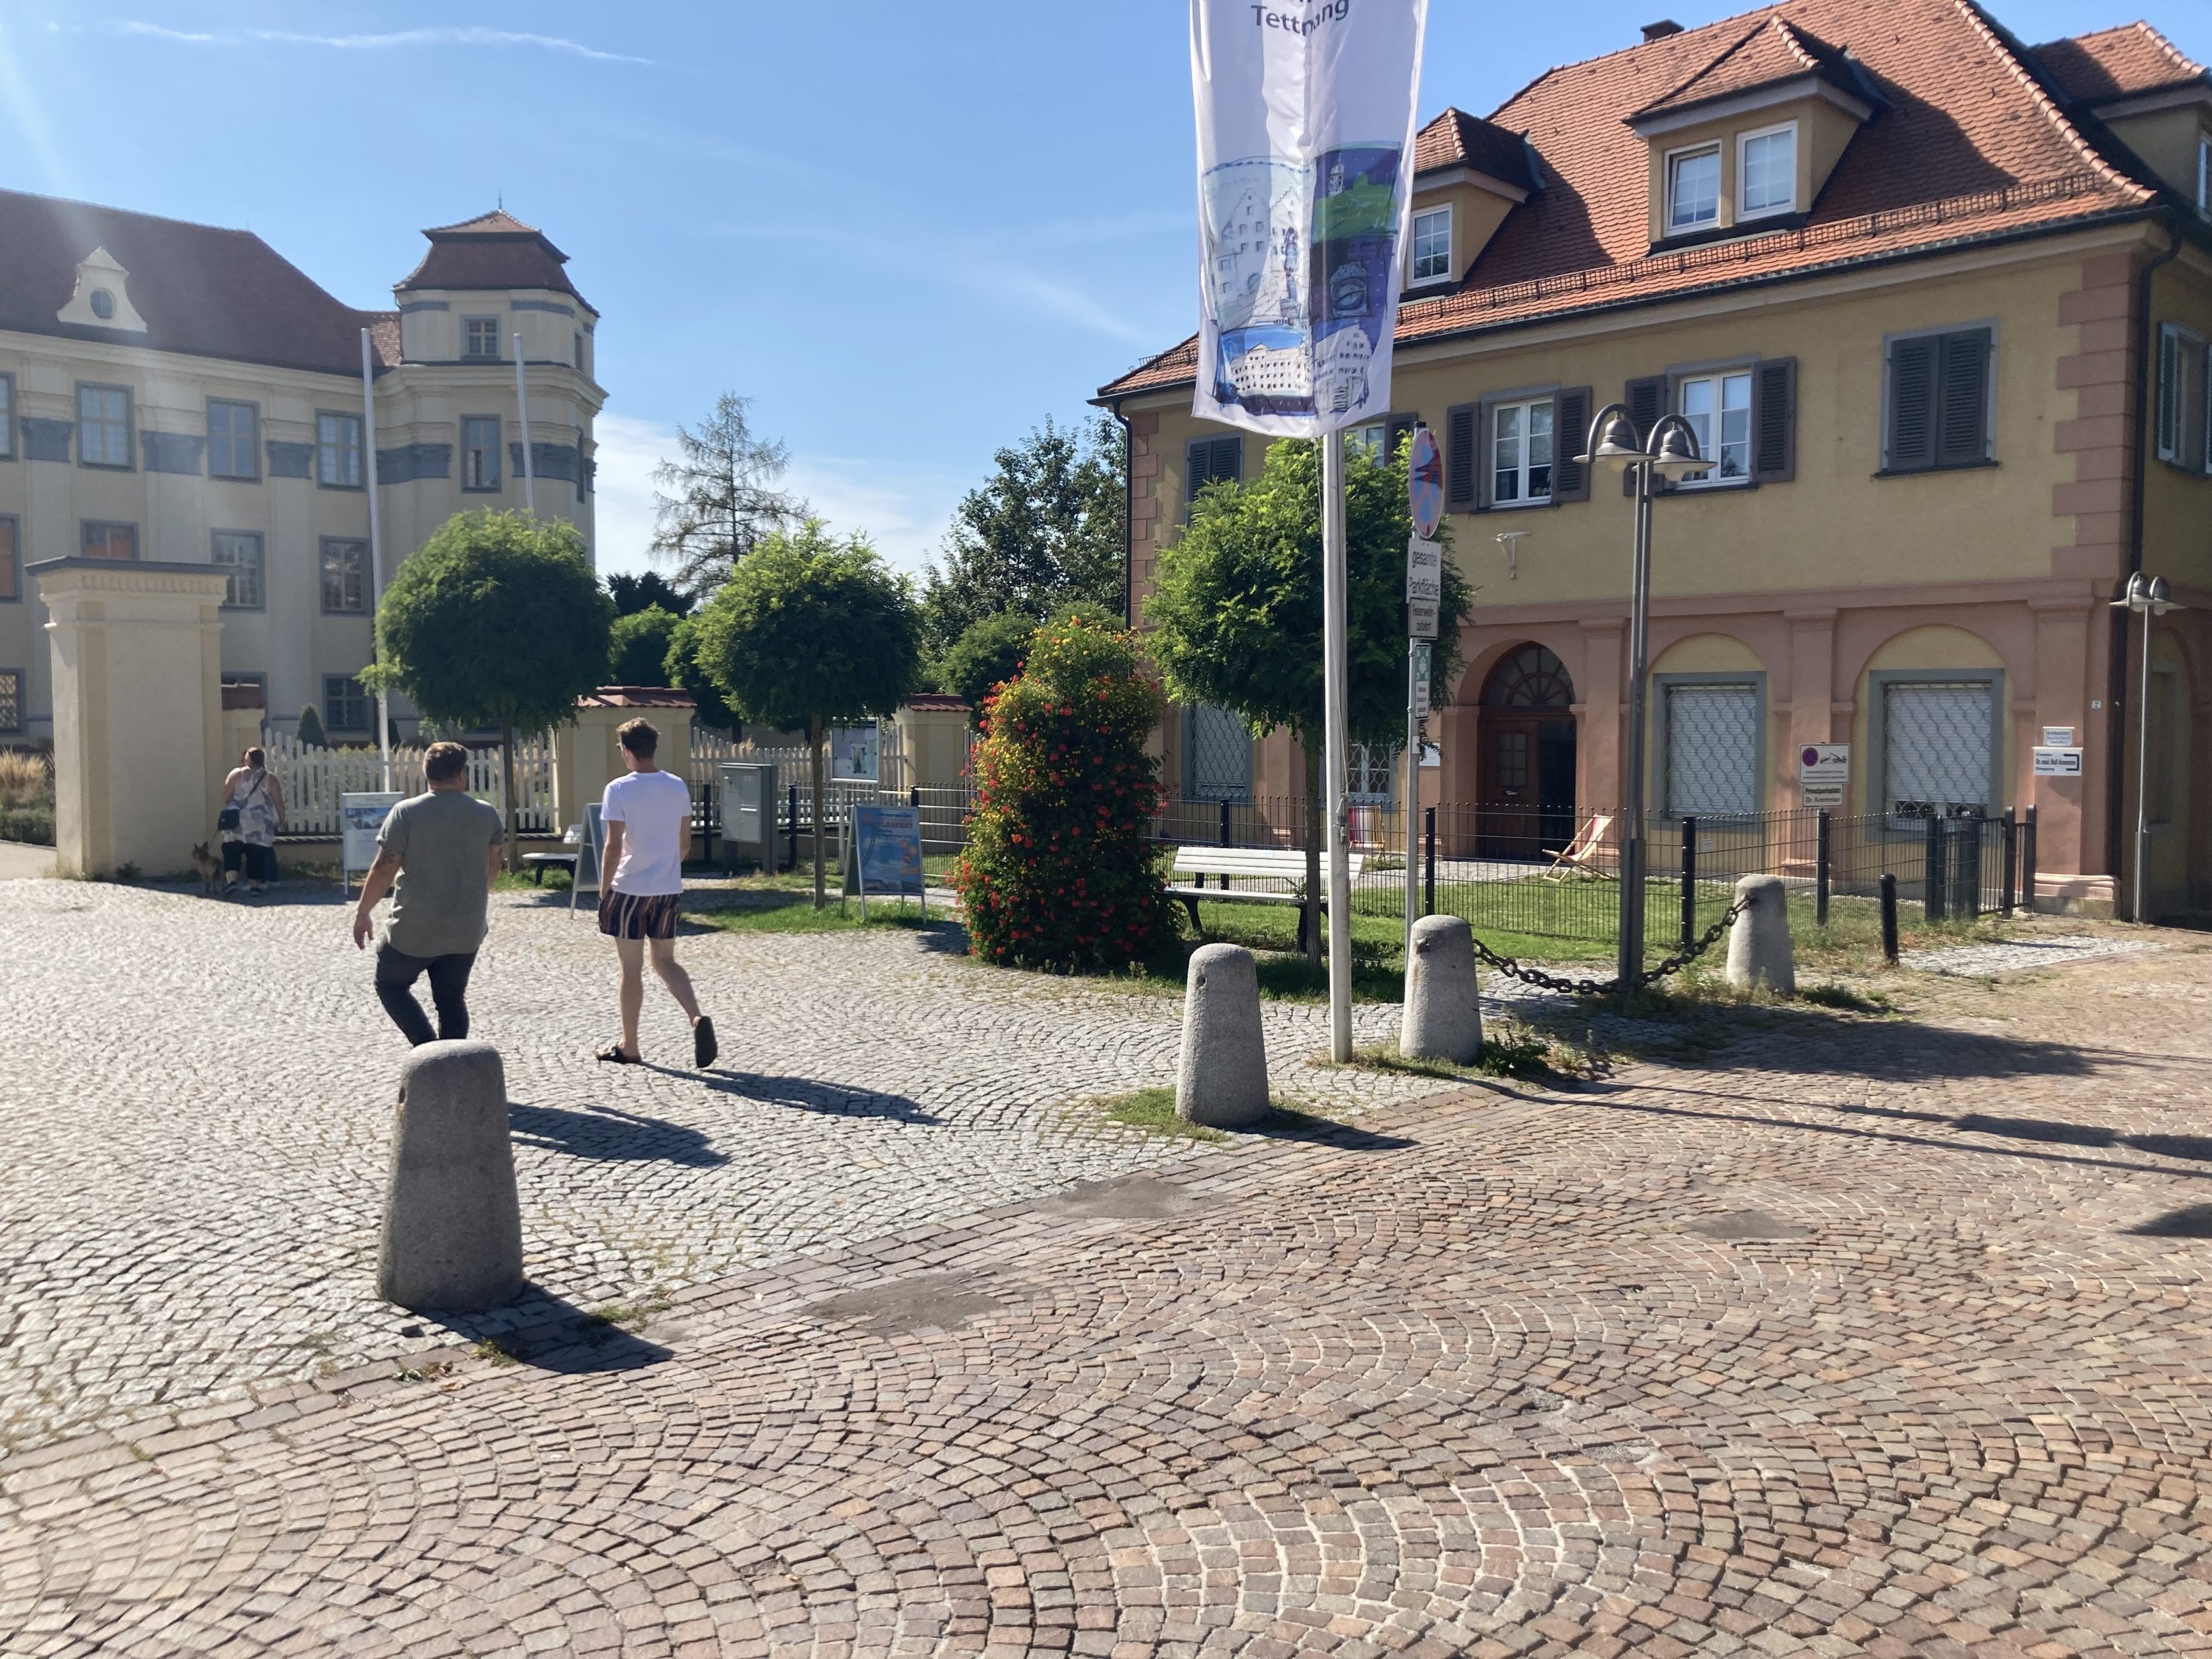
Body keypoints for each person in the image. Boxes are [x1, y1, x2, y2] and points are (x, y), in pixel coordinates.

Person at [351, 740, 504, 1046]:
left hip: (414, 929)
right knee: (451, 998)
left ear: (426, 773)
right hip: (465, 928)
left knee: (390, 984)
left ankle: (426, 1046)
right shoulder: (485, 814)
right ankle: (452, 1061)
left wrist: (363, 912)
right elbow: (495, 861)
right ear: (462, 773)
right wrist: (476, 895)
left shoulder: (406, 813)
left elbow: (384, 868)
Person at [596, 717, 716, 1068]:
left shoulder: (618, 789)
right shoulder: (677, 785)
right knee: (665, 961)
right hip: (667, 888)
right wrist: (667, 868)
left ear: (627, 750)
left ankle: (630, 1045)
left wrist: (604, 888)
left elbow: (613, 846)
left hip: (629, 889)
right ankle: (696, 1016)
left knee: (630, 968)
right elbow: (685, 842)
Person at [215, 746, 285, 897]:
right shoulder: (270, 778)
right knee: (256, 855)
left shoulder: (236, 774)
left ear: (247, 759)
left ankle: (232, 882)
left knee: (232, 851)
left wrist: (234, 803)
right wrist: (282, 818)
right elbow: (278, 801)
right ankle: (255, 887)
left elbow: (225, 795)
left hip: (236, 822)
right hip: (260, 823)